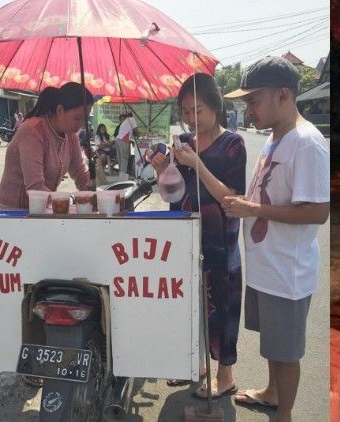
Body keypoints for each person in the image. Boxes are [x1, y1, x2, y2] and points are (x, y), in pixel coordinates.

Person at [222, 56, 330, 422]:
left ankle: (284, 415)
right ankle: (271, 394)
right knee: (273, 342)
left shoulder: (307, 143)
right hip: (267, 266)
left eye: (253, 100)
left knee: (287, 352)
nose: (247, 109)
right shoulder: (275, 137)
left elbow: (317, 212)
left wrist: (253, 210)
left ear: (283, 95)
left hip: (288, 271)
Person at [150, 73, 247, 399]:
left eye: (198, 110)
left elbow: (230, 198)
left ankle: (226, 375)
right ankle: (199, 365)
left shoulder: (233, 144)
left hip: (219, 239)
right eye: (186, 111)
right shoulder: (184, 143)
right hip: (185, 235)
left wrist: (197, 163)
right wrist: (162, 169)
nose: (192, 118)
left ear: (215, 107)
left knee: (222, 302)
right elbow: (171, 192)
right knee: (190, 303)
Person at [0, 83, 95, 210]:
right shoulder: (33, 131)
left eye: (85, 120)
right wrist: (66, 202)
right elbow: (35, 186)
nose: (81, 125)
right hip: (15, 212)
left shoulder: (71, 135)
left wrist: (92, 195)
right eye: (77, 118)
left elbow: (80, 173)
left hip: (43, 210)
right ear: (60, 110)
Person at [115, 112, 137, 177]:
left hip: (118, 140)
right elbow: (136, 129)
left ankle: (121, 174)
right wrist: (139, 135)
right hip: (123, 141)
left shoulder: (125, 122)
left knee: (121, 159)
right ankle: (123, 177)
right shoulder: (131, 119)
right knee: (124, 159)